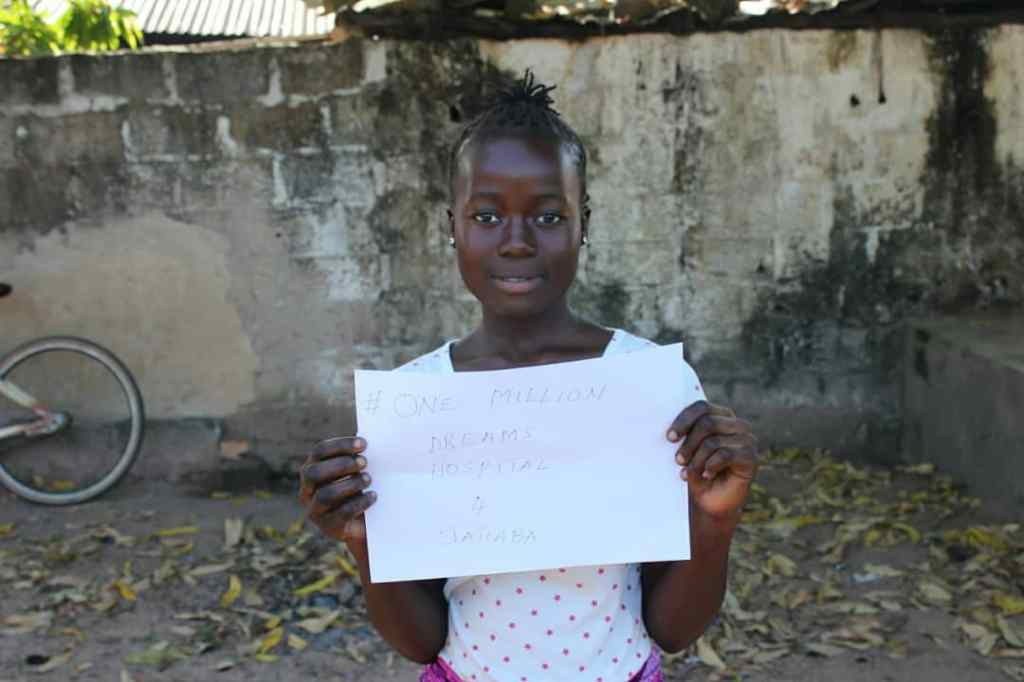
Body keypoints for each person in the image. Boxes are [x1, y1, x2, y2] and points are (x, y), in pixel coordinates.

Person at [299, 70, 759, 682]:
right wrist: (365, 542)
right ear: (452, 226)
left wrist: (716, 520)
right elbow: (421, 641)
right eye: (487, 216)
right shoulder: (417, 405)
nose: (516, 242)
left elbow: (672, 629)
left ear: (583, 223)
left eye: (547, 216)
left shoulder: (650, 386)